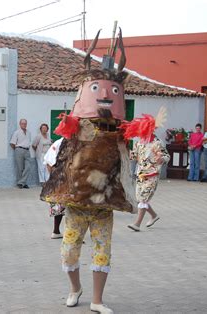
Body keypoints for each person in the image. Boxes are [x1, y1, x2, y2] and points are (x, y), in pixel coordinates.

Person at [41, 29, 138, 314]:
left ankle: (97, 299)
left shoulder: (119, 135)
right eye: (97, 89)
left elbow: (125, 166)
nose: (106, 94)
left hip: (104, 204)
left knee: (102, 251)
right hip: (76, 203)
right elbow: (59, 161)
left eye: (113, 92)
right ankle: (75, 288)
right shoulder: (73, 132)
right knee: (69, 251)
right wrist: (57, 192)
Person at [127, 135, 170, 232]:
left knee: (143, 199)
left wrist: (162, 159)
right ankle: (154, 216)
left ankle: (137, 224)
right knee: (140, 199)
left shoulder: (157, 142)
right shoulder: (139, 142)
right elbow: (133, 156)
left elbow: (167, 156)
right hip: (141, 174)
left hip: (152, 174)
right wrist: (126, 150)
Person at [43, 138, 65, 239]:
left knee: (60, 206)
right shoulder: (61, 143)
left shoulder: (58, 142)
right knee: (66, 206)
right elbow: (49, 162)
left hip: (58, 179)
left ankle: (56, 231)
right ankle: (59, 231)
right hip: (62, 179)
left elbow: (48, 162)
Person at [10, 119, 32, 189]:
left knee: (28, 167)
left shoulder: (29, 132)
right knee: (20, 168)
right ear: (20, 124)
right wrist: (17, 149)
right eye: (22, 123)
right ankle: (23, 183)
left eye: (25, 123)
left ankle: (21, 182)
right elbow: (12, 143)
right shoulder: (16, 132)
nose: (24, 125)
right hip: (19, 150)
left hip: (27, 150)